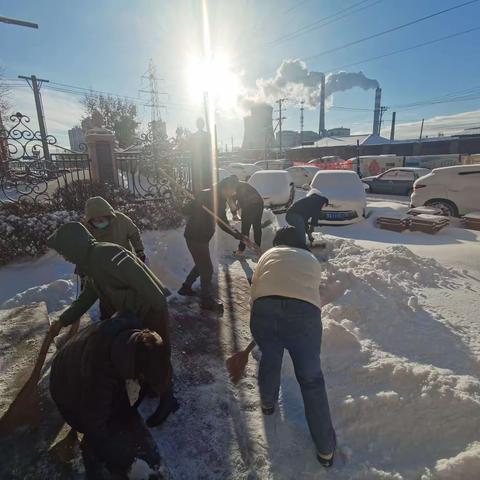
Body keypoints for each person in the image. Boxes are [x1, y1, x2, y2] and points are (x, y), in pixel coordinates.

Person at [47, 222, 177, 427]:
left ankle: (168, 398)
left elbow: (141, 279)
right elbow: (88, 296)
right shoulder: (90, 264)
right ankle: (154, 384)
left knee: (156, 355)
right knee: (144, 356)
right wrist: (63, 320)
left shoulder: (107, 254)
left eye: (65, 252)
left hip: (150, 309)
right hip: (132, 314)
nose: (65, 257)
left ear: (74, 245)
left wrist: (157, 311)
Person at [249, 227, 336, 467]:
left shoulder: (267, 255)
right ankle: (326, 449)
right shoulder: (310, 259)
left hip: (264, 309)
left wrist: (263, 319)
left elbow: (254, 288)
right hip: (304, 315)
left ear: (278, 242)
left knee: (270, 356)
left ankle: (267, 404)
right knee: (311, 380)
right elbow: (311, 290)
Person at [49, 312, 171, 478]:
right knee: (99, 430)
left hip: (84, 362)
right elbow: (95, 426)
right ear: (136, 370)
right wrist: (130, 463)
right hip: (65, 387)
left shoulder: (139, 337)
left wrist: (166, 395)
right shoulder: (98, 372)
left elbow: (159, 365)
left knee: (125, 408)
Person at [178, 178, 245, 313]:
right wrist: (195, 204)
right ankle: (206, 300)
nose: (233, 193)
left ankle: (185, 287)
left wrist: (235, 233)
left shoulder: (219, 199)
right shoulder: (206, 194)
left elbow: (222, 222)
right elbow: (185, 210)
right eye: (233, 190)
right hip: (195, 236)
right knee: (207, 269)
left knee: (201, 264)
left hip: (201, 237)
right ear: (226, 187)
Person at [84, 196, 145, 261]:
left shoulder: (120, 219)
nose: (98, 223)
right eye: (95, 221)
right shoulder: (88, 228)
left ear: (107, 215)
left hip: (125, 259)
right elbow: (85, 246)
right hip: (102, 262)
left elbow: (134, 233)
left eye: (101, 220)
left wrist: (139, 250)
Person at [224, 175, 264, 257]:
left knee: (245, 228)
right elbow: (240, 199)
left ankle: (241, 251)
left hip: (250, 205)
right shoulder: (242, 184)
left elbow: (232, 203)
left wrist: (234, 215)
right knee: (257, 226)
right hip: (259, 203)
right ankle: (258, 249)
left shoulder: (233, 189)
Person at [191, 117, 213, 194]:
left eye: (201, 123)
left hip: (205, 161)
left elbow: (210, 148)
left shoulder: (206, 135)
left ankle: (204, 195)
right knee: (200, 180)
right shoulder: (194, 136)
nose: (200, 125)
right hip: (199, 161)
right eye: (199, 123)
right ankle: (200, 195)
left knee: (205, 180)